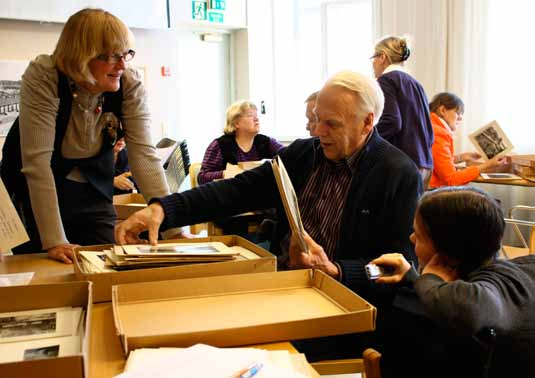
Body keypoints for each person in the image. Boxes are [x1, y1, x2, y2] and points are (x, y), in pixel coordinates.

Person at [116, 70, 423, 359]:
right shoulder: (304, 154)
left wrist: (337, 271)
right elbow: (236, 191)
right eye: (317, 120)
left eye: (332, 124)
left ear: (367, 122)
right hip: (286, 288)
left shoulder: (397, 174)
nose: (318, 131)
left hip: (341, 310)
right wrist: (163, 209)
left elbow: (396, 268)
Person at [0, 8, 175, 264]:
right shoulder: (45, 75)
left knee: (104, 261)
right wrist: (55, 241)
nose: (123, 64)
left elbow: (145, 156)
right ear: (82, 55)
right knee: (46, 265)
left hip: (93, 189)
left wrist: (174, 223)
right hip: (34, 191)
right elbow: (37, 164)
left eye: (126, 54)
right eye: (113, 56)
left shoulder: (129, 83)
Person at [370, 186, 535, 378]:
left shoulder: (479, 299)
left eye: (420, 236)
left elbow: (468, 308)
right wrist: (413, 277)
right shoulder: (516, 270)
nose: (411, 238)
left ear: (447, 253)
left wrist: (428, 279)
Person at [372, 35, 434, 188]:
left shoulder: (386, 80)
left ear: (382, 57)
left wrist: (366, 138)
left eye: (373, 57)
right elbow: (429, 131)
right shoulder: (416, 84)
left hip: (402, 163)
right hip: (425, 163)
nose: (372, 63)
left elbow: (391, 122)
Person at [428, 92, 507, 188]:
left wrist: (462, 157)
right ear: (443, 110)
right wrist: (487, 165)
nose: (461, 118)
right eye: (458, 113)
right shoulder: (439, 133)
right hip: (433, 191)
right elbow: (451, 179)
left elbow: (435, 163)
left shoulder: (431, 127)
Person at [197, 100, 285, 184]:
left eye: (256, 115)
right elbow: (202, 177)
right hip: (231, 195)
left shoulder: (267, 142)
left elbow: (288, 154)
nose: (256, 119)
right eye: (250, 115)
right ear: (236, 123)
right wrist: (225, 173)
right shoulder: (219, 145)